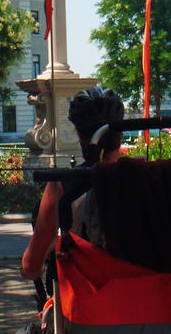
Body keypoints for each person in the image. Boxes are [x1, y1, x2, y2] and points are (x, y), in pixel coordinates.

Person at [20, 86, 124, 280]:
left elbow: (32, 266)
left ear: (79, 134)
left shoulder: (62, 186)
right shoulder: (148, 177)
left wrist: (30, 268)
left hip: (88, 300)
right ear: (120, 133)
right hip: (144, 297)